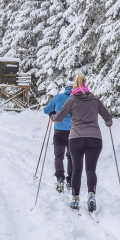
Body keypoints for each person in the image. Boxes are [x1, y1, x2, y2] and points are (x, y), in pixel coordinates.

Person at [50, 73, 112, 212]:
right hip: (95, 138)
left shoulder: (71, 101)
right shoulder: (95, 99)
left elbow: (59, 118)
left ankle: (75, 199)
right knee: (91, 169)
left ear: (75, 86)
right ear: (85, 84)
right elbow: (107, 116)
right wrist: (108, 122)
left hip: (76, 138)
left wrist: (52, 116)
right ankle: (91, 195)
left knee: (77, 169)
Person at [43, 77, 74, 193]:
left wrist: (53, 112)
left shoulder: (58, 97)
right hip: (74, 132)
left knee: (59, 156)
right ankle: (70, 181)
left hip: (59, 131)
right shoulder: (77, 99)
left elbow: (46, 110)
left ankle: (60, 179)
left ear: (66, 87)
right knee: (71, 157)